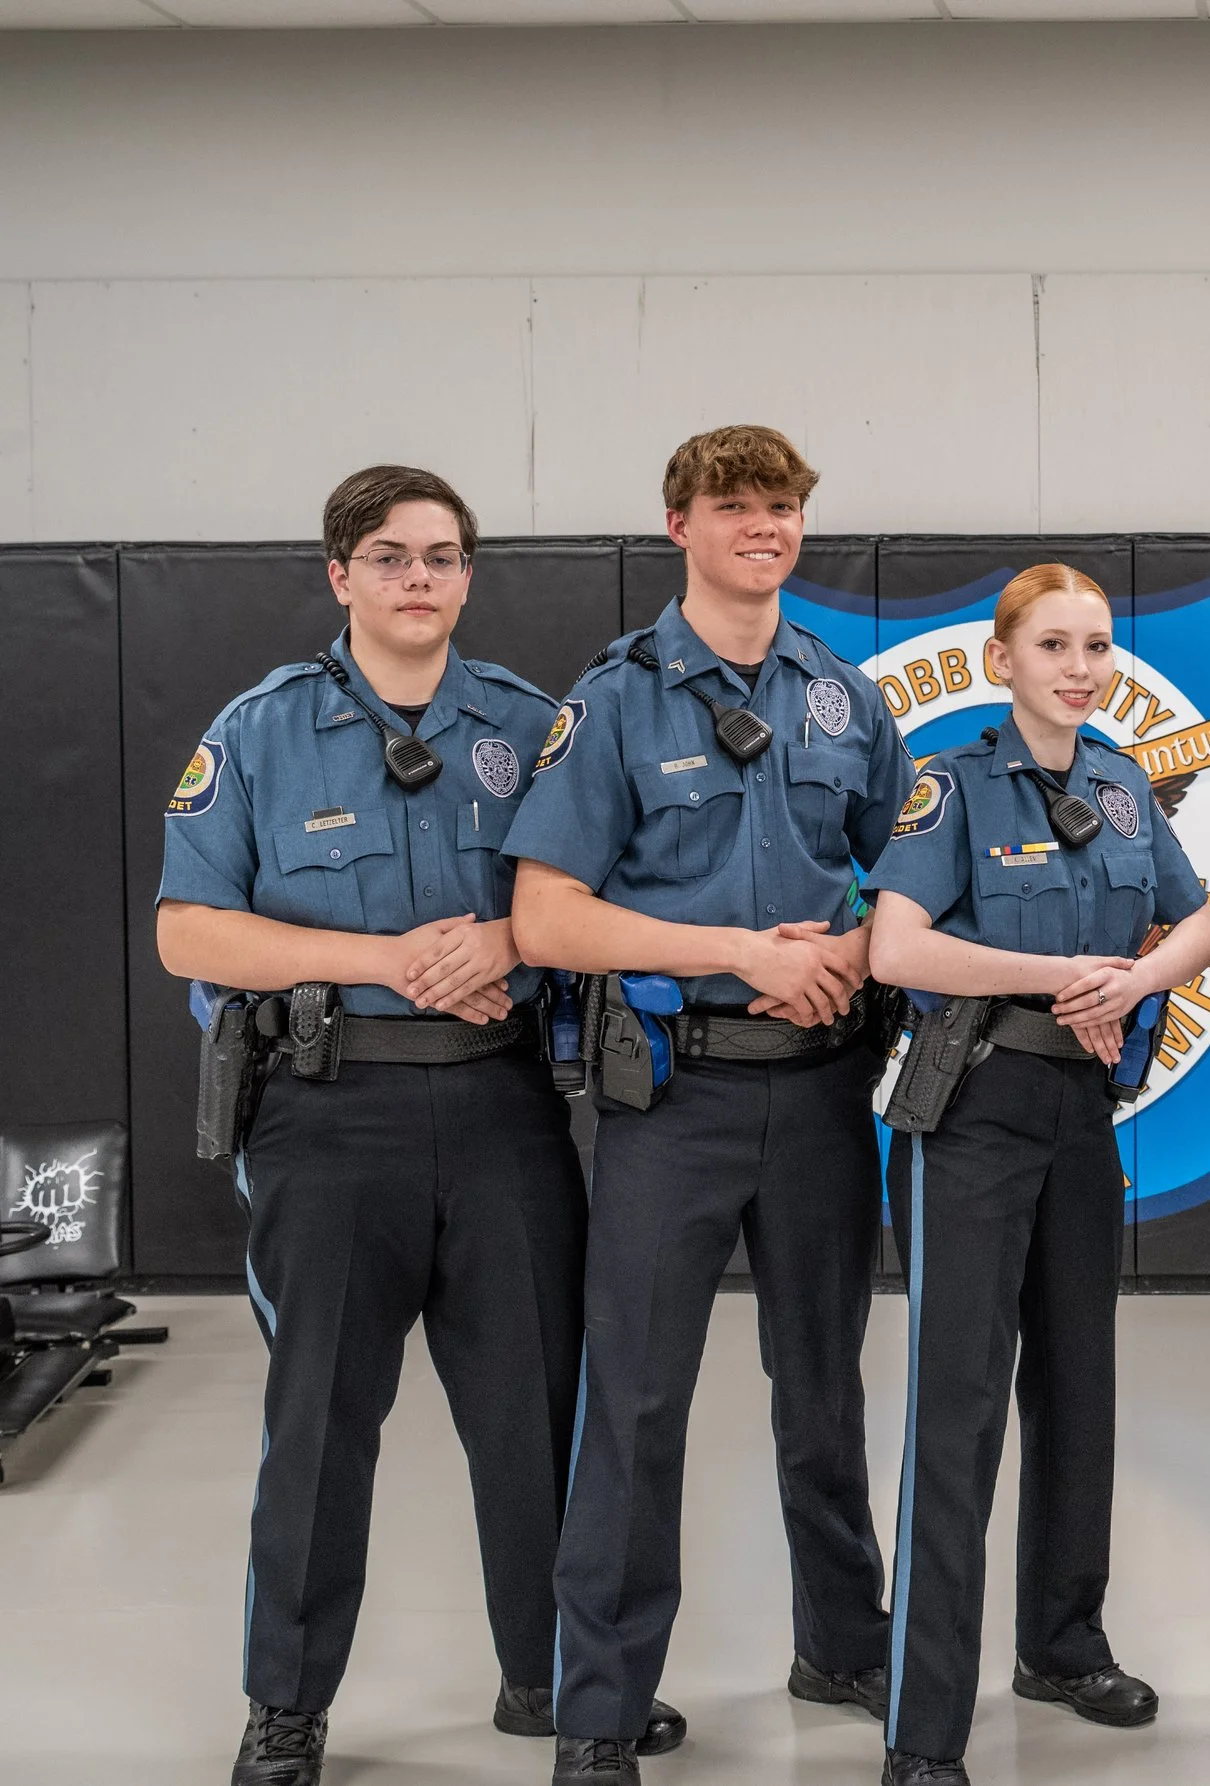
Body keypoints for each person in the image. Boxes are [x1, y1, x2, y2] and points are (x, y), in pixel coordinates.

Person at [159, 465, 681, 1786]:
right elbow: (188, 927)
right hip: (330, 1113)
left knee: (540, 1416)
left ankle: (553, 1679)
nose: (418, 580)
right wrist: (386, 957)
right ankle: (287, 1701)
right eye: (390, 557)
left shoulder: (529, 725)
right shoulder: (261, 731)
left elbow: (588, 903)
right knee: (319, 1420)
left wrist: (508, 935)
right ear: (340, 574)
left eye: (443, 557)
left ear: (467, 575)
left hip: (506, 1106)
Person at [503, 426, 915, 1785]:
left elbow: (903, 892)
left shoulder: (847, 702)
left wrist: (846, 955)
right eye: (735, 505)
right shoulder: (614, 701)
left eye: (783, 505)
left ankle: (845, 1641)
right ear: (676, 522)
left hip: (818, 1094)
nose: (764, 525)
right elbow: (546, 915)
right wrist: (740, 953)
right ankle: (601, 1709)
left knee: (823, 1390)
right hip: (669, 1098)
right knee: (634, 1403)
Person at [862, 563, 1210, 1786]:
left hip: (1080, 1112)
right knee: (957, 1414)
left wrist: (1131, 979)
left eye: (1095, 645)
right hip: (969, 1111)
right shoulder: (950, 786)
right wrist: (1056, 974)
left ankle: (1063, 1645)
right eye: (1054, 645)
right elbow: (895, 944)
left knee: (1078, 1391)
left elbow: (1201, 926)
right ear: (1000, 660)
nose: (1079, 666)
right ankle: (922, 1724)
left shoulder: (1125, 788)